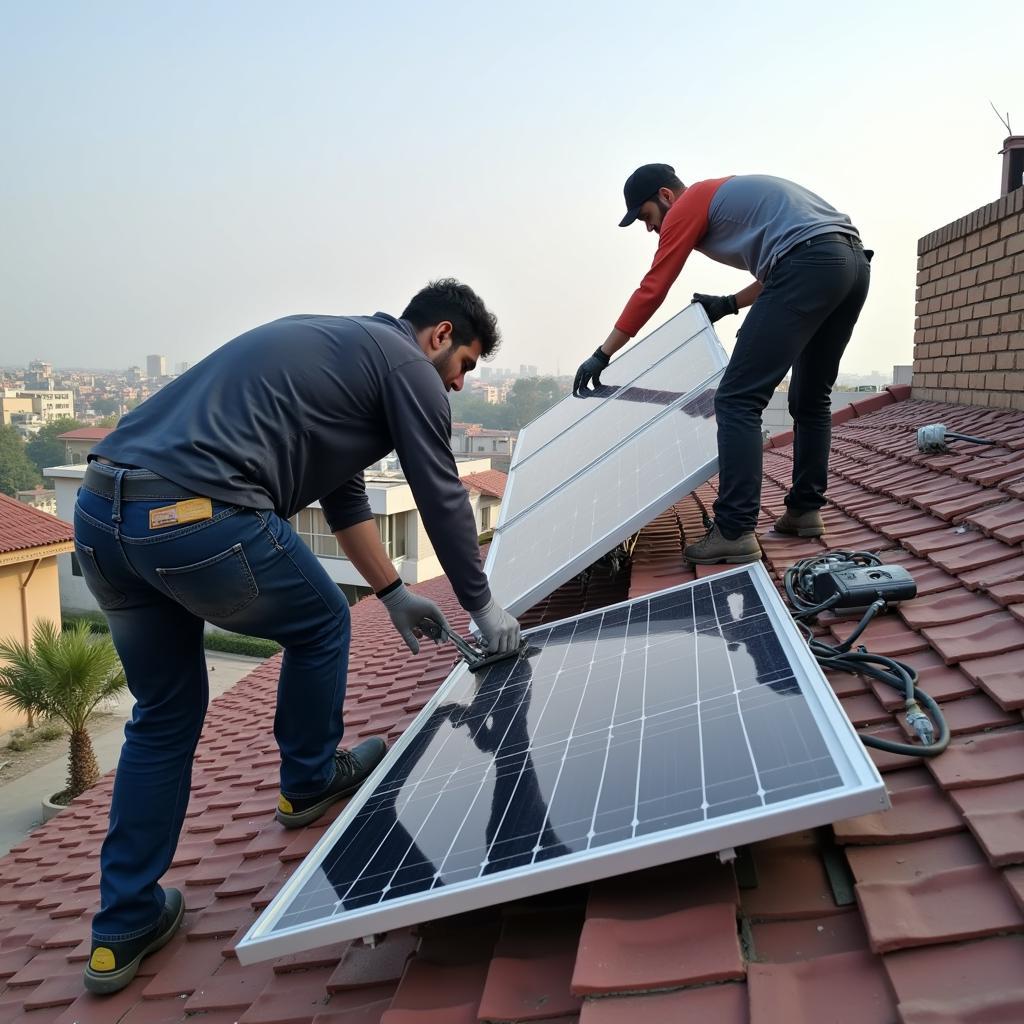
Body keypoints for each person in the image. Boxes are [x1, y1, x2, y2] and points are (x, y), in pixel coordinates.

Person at [74, 278, 521, 994]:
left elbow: (341, 495)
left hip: (100, 518)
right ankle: (308, 781)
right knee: (321, 621)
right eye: (465, 364)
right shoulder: (408, 367)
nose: (461, 385)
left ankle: (121, 926)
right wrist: (484, 606)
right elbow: (438, 491)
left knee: (161, 718)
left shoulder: (342, 354)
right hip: (195, 513)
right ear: (439, 336)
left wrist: (394, 591)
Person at [574, 165, 872, 564]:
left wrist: (603, 352)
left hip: (811, 264)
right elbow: (787, 263)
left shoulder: (687, 204)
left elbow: (654, 287)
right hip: (850, 266)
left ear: (665, 196)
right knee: (811, 397)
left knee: (736, 400)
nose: (650, 230)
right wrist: (729, 304)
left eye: (646, 217)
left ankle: (733, 530)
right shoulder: (733, 200)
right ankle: (804, 510)